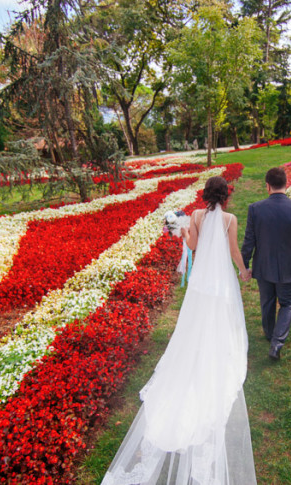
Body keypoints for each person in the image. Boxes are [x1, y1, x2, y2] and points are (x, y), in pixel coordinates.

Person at [101, 176, 257, 485]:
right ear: (225, 196)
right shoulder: (230, 219)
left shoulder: (197, 216)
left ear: (205, 196)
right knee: (221, 318)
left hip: (201, 280)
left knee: (195, 318)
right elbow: (233, 250)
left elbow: (193, 246)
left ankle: (197, 346)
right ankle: (217, 347)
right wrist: (243, 270)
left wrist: (184, 231)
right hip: (221, 279)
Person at [241, 167, 291, 361]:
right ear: (285, 184)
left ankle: (269, 333)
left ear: (267, 186)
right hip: (290, 266)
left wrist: (244, 265)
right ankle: (277, 343)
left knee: (267, 301)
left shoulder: (255, 209)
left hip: (263, 266)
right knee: (288, 303)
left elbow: (249, 241)